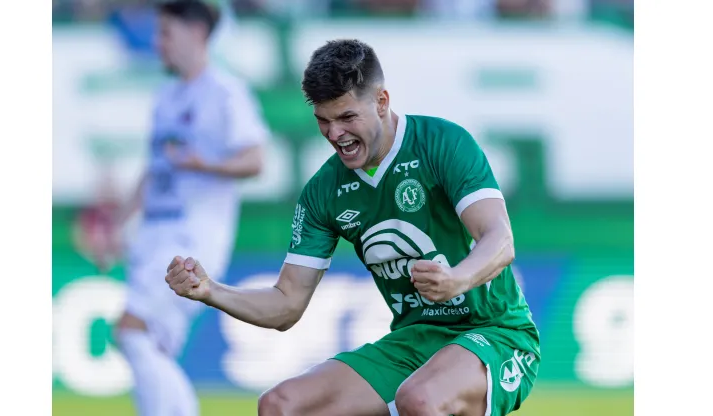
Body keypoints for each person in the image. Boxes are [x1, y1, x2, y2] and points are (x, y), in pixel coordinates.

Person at [165, 39, 539, 416]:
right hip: (414, 342)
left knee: (420, 399)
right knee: (280, 406)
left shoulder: (442, 143)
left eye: (346, 118)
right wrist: (210, 290)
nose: (334, 134)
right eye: (323, 121)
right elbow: (286, 305)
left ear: (381, 101)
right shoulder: (323, 192)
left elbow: (500, 239)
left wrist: (457, 279)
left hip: (495, 333)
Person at [114, 1, 270, 415]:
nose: (157, 43)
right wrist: (118, 223)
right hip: (153, 235)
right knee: (153, 345)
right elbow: (154, 170)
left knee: (133, 331)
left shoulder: (224, 92)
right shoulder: (166, 96)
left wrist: (209, 165)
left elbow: (255, 159)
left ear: (196, 33)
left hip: (192, 238)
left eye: (165, 33)